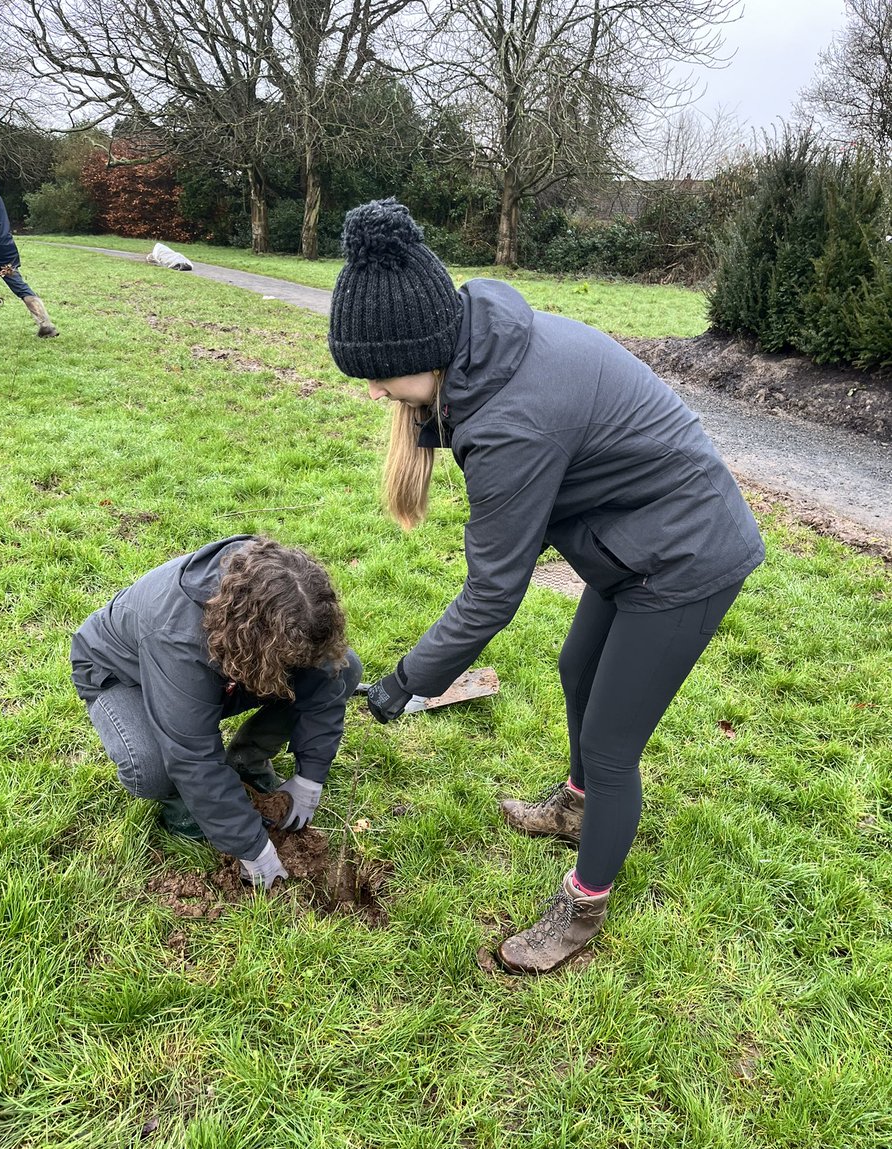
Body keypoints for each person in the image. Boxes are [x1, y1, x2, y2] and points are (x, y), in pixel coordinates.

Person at [328, 198, 765, 974]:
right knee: (575, 670)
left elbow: (494, 592)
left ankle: (582, 906)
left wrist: (407, 685)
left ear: (427, 349)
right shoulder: (486, 347)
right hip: (633, 536)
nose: (373, 394)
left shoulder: (510, 422)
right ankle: (574, 806)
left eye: (378, 376)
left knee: (611, 741)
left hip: (685, 555)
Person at [71, 535, 362, 887]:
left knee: (340, 670)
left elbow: (323, 679)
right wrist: (252, 846)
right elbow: (192, 754)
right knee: (152, 766)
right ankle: (184, 807)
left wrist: (310, 778)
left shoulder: (281, 591)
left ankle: (247, 760)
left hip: (223, 668)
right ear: (253, 638)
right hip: (125, 675)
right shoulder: (176, 637)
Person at [0, 177, 59, 337]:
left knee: (17, 284)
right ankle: (45, 324)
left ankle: (46, 325)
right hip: (4, 247)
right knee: (18, 284)